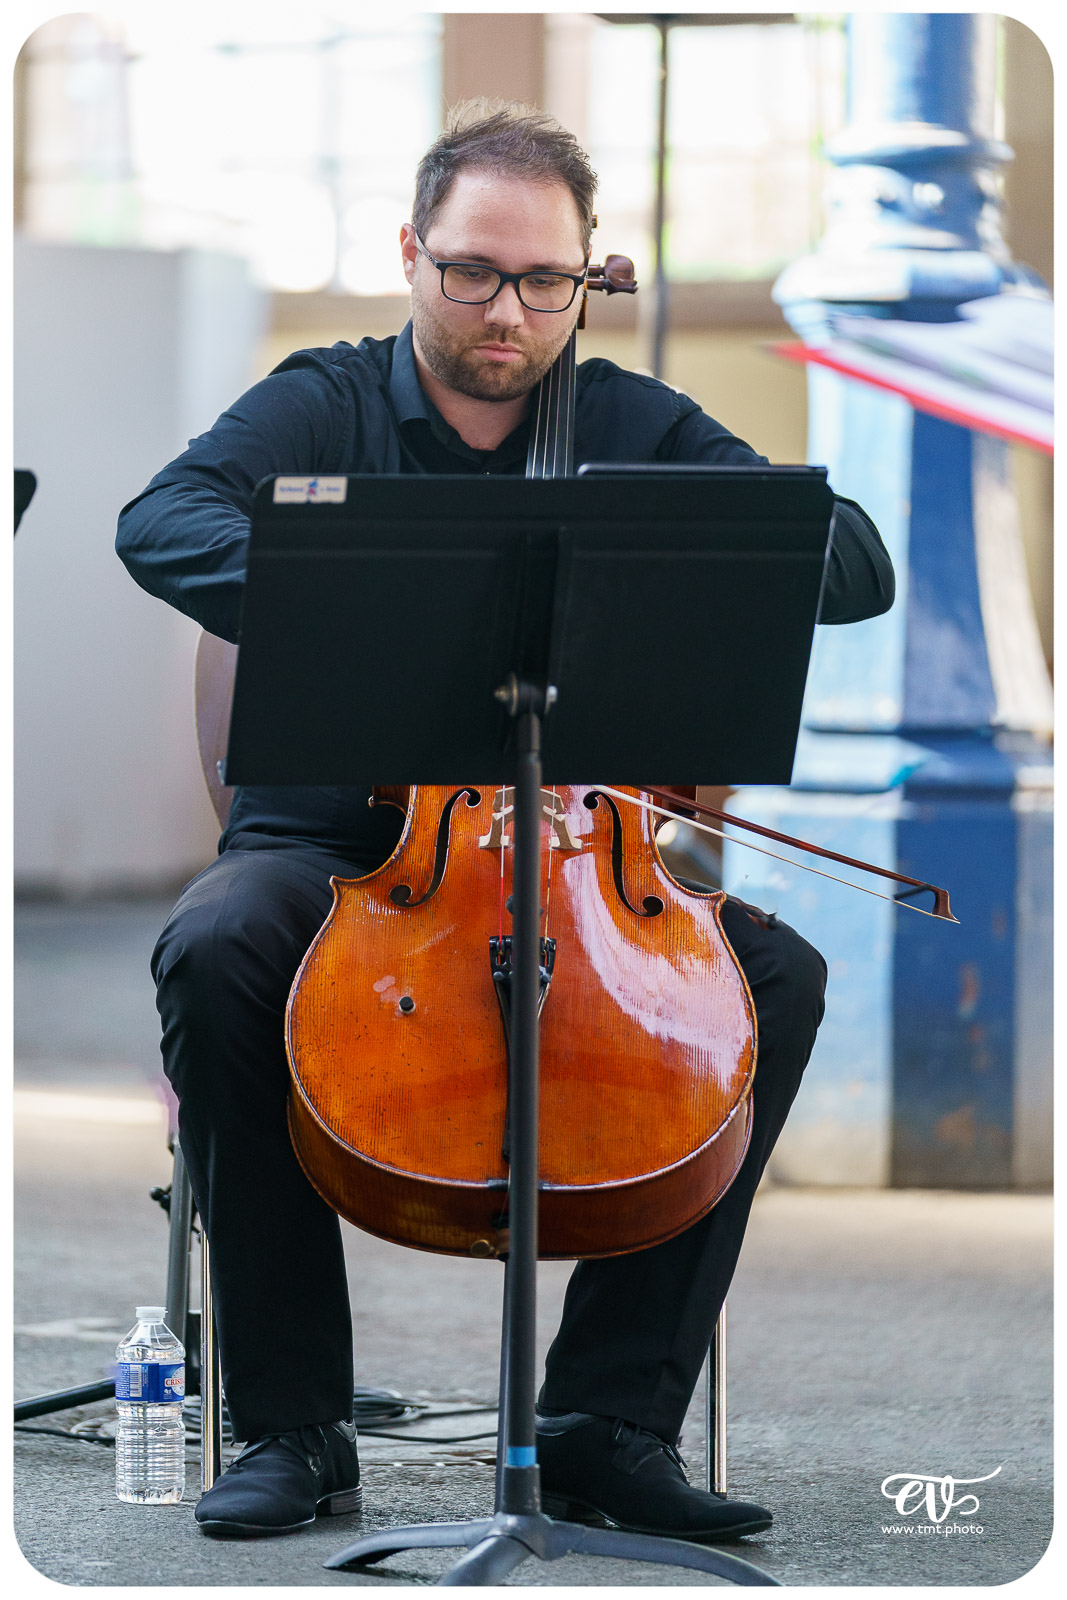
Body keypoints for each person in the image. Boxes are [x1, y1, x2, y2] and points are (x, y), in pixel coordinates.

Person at [117, 101, 893, 1543]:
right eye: (473, 270)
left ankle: (606, 1420)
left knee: (776, 977)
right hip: (335, 849)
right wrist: (358, 599)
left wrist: (687, 545)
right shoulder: (323, 400)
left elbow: (849, 561)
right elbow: (159, 522)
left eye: (546, 281)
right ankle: (295, 1423)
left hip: (563, 855)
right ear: (413, 253)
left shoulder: (631, 415)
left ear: (590, 276)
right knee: (217, 948)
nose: (507, 309)